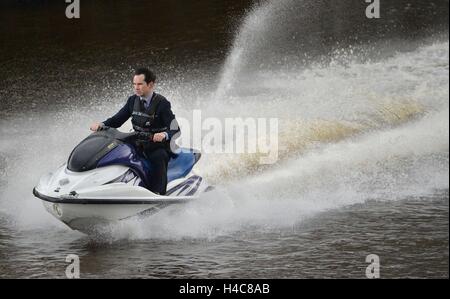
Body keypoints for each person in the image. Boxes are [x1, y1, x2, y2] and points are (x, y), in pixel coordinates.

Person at [90, 68, 180, 195]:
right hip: (137, 142)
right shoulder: (132, 101)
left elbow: (176, 130)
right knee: (114, 152)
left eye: (140, 84)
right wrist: (102, 124)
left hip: (157, 146)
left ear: (150, 84)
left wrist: (163, 135)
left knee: (159, 156)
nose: (136, 87)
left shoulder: (162, 104)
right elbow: (117, 120)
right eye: (134, 84)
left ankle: (158, 194)